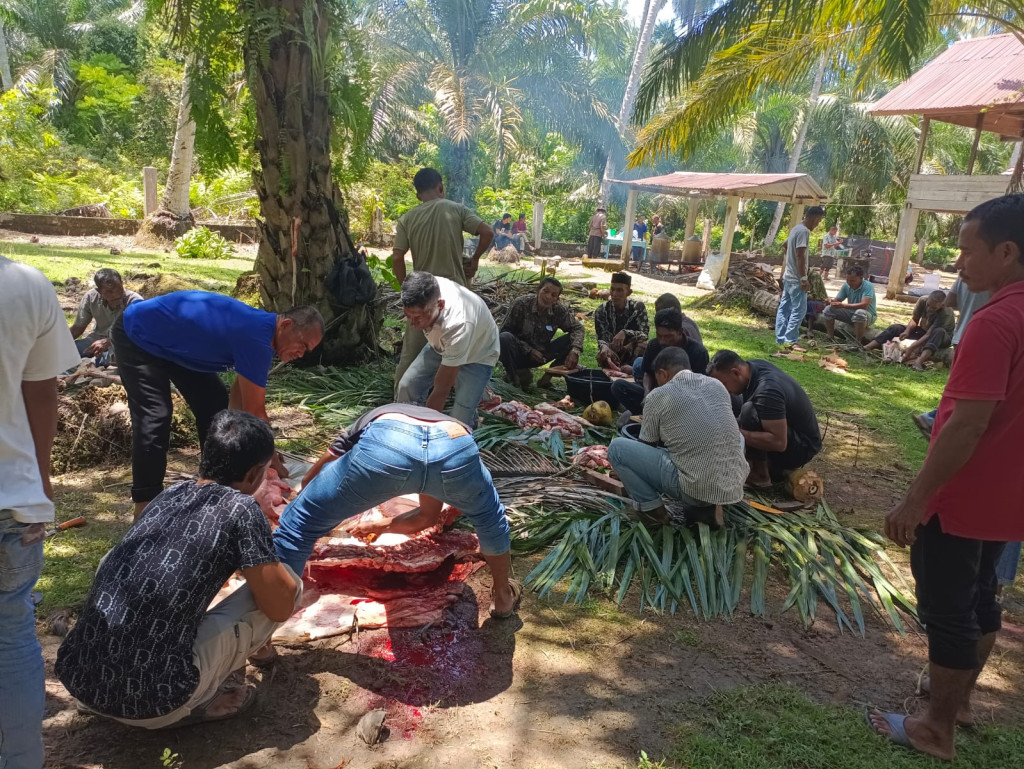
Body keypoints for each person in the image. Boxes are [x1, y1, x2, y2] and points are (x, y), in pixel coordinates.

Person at [869, 194, 1024, 761]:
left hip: (965, 495)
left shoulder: (996, 321)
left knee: (948, 607)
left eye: (966, 250)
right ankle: (956, 703)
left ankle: (936, 726)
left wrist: (917, 498)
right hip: (1009, 497)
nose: (957, 264)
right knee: (982, 596)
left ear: (1006, 252)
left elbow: (966, 426)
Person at [56, 411, 302, 728]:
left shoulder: (169, 494)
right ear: (256, 473)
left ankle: (105, 693)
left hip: (81, 683)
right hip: (155, 703)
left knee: (113, 561)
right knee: (288, 586)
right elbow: (278, 605)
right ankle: (201, 701)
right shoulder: (241, 508)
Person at [274, 404, 520, 618]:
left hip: (389, 444)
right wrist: (381, 525)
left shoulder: (374, 416)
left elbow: (322, 467)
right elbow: (427, 516)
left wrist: (309, 498)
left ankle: (267, 628)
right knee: (491, 519)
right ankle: (502, 597)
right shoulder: (443, 423)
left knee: (297, 525)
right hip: (454, 447)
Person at [112, 290, 324, 517]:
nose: (301, 354)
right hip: (138, 334)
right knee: (155, 418)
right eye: (302, 344)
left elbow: (237, 404)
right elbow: (256, 412)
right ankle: (145, 505)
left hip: (174, 344)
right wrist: (268, 458)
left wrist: (246, 451)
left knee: (216, 408)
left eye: (307, 351)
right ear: (286, 325)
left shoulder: (264, 337)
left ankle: (212, 486)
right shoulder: (257, 338)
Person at [0, 256, 81, 769]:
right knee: (12, 639)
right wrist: (40, 484)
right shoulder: (25, 284)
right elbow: (42, 391)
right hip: (13, 504)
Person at [607, 347, 747, 528]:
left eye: (657, 379)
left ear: (663, 374)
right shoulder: (716, 385)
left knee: (617, 449)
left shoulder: (658, 396)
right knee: (736, 437)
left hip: (696, 488)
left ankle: (653, 512)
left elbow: (647, 445)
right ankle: (714, 504)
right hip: (733, 485)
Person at [392, 168, 494, 393]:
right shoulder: (456, 209)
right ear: (441, 188)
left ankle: (398, 403)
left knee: (410, 355)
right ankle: (463, 400)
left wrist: (406, 290)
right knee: (460, 350)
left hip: (423, 296)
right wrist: (475, 258)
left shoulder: (408, 218)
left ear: (418, 195)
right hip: (456, 297)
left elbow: (397, 257)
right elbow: (487, 232)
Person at [395, 271, 500, 425]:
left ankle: (471, 417)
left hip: (479, 353)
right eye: (407, 315)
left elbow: (441, 390)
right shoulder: (426, 286)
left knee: (459, 420)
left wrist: (427, 429)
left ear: (441, 305)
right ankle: (405, 425)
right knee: (407, 386)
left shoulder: (458, 324)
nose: (412, 324)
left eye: (417, 317)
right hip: (444, 344)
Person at [708, 350, 821, 487]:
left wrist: (736, 433)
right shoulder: (753, 367)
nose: (724, 390)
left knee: (749, 411)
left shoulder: (768, 391)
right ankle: (763, 465)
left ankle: (760, 474)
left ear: (736, 373)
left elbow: (779, 442)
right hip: (788, 434)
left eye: (724, 384)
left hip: (802, 447)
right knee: (742, 410)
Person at [914, 275, 992, 437]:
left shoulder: (966, 271)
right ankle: (935, 421)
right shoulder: (1003, 276)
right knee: (973, 391)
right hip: (986, 338)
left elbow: (951, 301)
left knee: (960, 387)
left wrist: (971, 302)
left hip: (963, 335)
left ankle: (934, 419)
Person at [611, 308, 709, 416]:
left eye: (668, 337)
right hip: (655, 394)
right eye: (659, 335)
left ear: (680, 332)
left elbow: (698, 389)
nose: (663, 341)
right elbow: (647, 373)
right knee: (618, 386)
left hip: (683, 402)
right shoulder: (654, 345)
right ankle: (644, 414)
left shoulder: (698, 352)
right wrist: (647, 393)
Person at [499, 277, 583, 388]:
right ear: (538, 290)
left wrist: (575, 350)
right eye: (546, 291)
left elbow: (578, 328)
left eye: (553, 295)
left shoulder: (559, 311)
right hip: (517, 352)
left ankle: (547, 378)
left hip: (542, 354)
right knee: (504, 337)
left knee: (570, 340)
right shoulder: (521, 304)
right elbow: (504, 330)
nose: (548, 297)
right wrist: (529, 350)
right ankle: (513, 375)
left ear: (557, 299)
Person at [67, 268, 142, 367]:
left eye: (118, 288)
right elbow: (77, 329)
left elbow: (137, 334)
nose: (115, 294)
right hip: (95, 340)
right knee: (67, 351)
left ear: (122, 283)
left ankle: (96, 362)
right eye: (109, 291)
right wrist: (58, 343)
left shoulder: (134, 302)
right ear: (99, 291)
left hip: (122, 343)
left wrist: (108, 341)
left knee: (119, 357)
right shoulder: (91, 298)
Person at [864, 290, 954, 370]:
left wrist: (911, 347)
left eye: (934, 308)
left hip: (941, 338)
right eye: (928, 305)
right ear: (928, 300)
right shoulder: (923, 300)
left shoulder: (946, 312)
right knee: (896, 328)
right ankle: (867, 347)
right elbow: (915, 319)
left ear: (942, 305)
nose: (929, 309)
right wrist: (907, 331)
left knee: (938, 331)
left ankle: (918, 362)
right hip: (924, 331)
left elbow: (929, 334)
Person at [775, 206, 826, 346]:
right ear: (815, 218)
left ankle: (781, 338)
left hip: (788, 277)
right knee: (799, 310)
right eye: (819, 221)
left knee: (784, 308)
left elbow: (784, 245)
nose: (818, 224)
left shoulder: (796, 228)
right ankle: (790, 340)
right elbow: (800, 255)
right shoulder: (804, 231)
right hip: (797, 279)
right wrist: (803, 278)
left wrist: (789, 261)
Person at [594, 272, 649, 373]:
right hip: (613, 351)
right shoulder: (601, 311)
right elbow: (602, 338)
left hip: (632, 350)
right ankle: (611, 375)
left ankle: (635, 373)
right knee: (602, 354)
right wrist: (604, 347)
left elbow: (644, 334)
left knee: (643, 345)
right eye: (612, 289)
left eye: (619, 290)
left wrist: (625, 332)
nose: (614, 294)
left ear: (628, 292)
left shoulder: (638, 307)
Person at [821, 264, 877, 343]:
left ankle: (857, 342)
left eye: (853, 281)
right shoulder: (846, 286)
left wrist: (843, 305)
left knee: (860, 313)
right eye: (848, 280)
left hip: (867, 314)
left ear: (861, 278)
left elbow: (864, 305)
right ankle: (830, 337)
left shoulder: (868, 286)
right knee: (828, 310)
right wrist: (830, 301)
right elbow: (838, 300)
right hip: (851, 312)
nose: (850, 283)